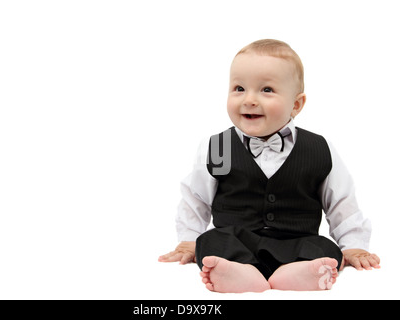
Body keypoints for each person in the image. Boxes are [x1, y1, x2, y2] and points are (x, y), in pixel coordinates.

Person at [158, 39, 380, 292]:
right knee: (210, 241)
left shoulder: (318, 147)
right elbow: (196, 198)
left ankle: (295, 274)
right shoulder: (219, 146)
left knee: (327, 250)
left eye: (266, 90)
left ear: (296, 105)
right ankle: (242, 272)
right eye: (239, 88)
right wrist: (188, 241)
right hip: (237, 239)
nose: (249, 99)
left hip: (297, 240)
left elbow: (341, 201)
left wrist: (352, 244)